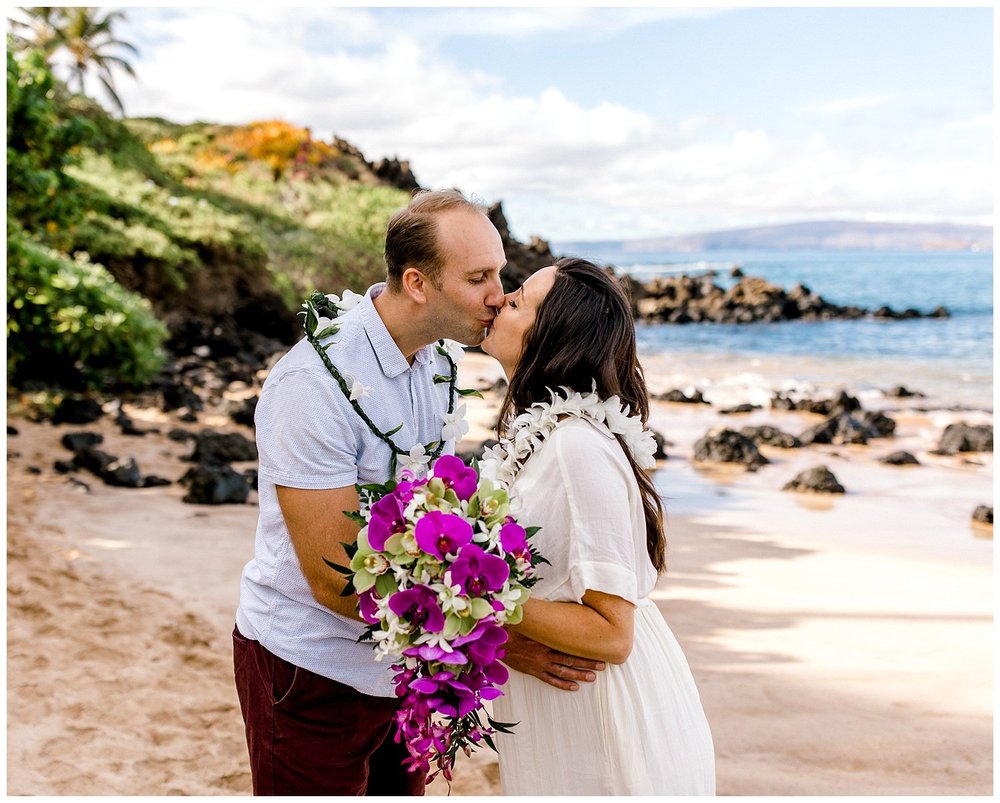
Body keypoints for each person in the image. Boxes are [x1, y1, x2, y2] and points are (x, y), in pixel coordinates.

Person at [231, 190, 604, 796]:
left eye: (501, 274)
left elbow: (434, 520)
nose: (498, 295)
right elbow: (335, 580)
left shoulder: (441, 366)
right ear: (417, 282)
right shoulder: (312, 384)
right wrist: (499, 643)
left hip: (407, 665)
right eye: (479, 277)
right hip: (309, 669)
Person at [481, 257, 716, 795]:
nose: (499, 301)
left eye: (517, 300)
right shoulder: (543, 439)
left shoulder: (576, 446)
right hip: (562, 701)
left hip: (603, 712)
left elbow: (613, 634)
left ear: (552, 335)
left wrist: (474, 600)